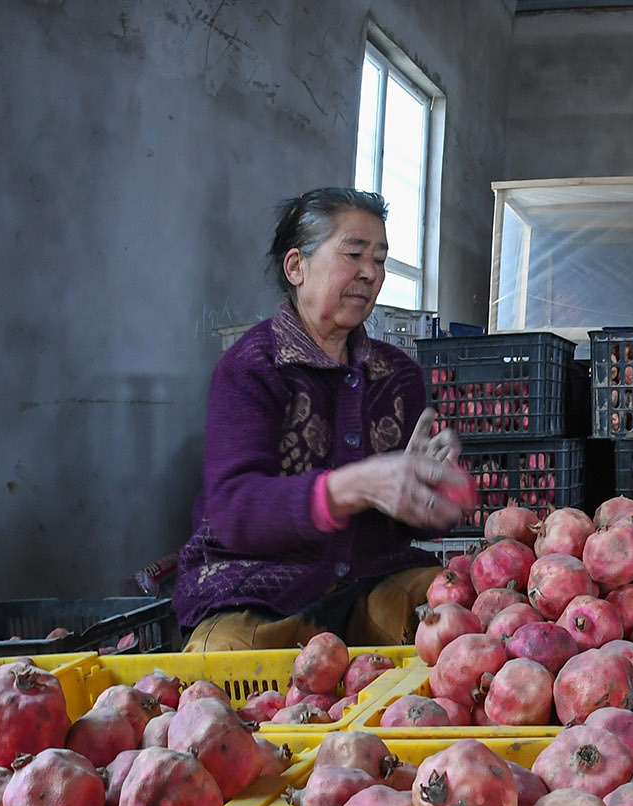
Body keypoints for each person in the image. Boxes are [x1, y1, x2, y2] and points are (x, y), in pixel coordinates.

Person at [174, 187, 473, 651]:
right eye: (353, 254)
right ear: (296, 267)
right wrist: (352, 487)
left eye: (379, 259)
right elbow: (234, 509)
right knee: (226, 657)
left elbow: (417, 524)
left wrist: (433, 492)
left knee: (466, 615)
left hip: (373, 582)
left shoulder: (398, 374)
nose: (370, 273)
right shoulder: (252, 367)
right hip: (261, 592)